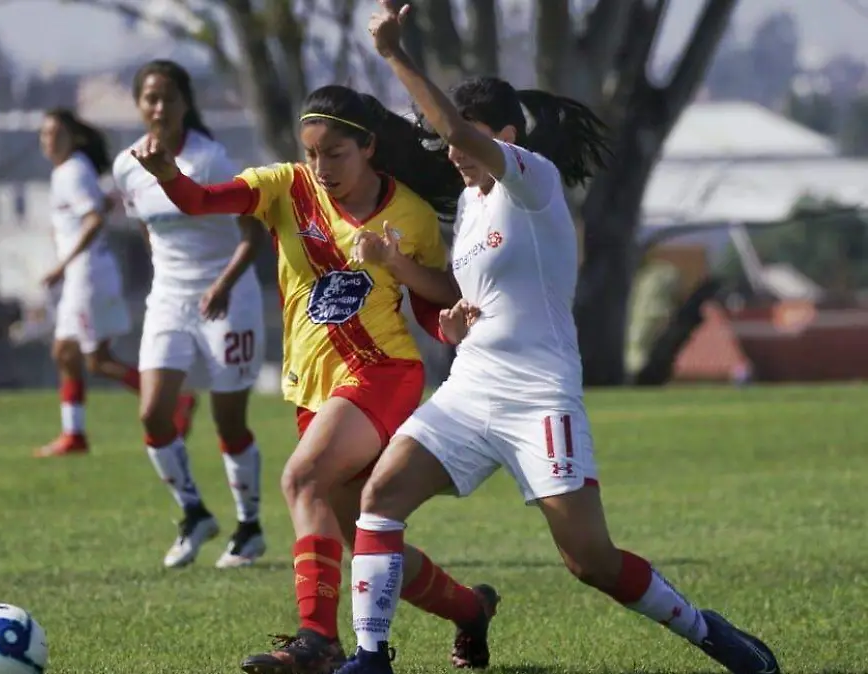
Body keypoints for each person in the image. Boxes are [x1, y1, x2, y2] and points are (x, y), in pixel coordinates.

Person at [332, 4, 782, 674]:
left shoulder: (532, 181)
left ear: (507, 136)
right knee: (379, 498)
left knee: (590, 562)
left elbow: (452, 126)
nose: (451, 150)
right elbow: (466, 294)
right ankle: (370, 658)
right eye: (449, 144)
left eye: (465, 139)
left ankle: (714, 635)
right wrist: (429, 293)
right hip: (471, 390)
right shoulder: (476, 206)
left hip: (540, 401)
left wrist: (395, 52)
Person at [131, 82, 496, 674]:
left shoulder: (410, 214)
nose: (320, 167)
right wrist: (169, 174)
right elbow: (200, 201)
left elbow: (436, 302)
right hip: (314, 387)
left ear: (368, 147)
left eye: (334, 154)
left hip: (383, 371)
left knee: (301, 480)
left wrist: (431, 306)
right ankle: (470, 609)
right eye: (311, 153)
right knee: (366, 539)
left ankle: (318, 642)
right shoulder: (284, 188)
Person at [111, 60, 270, 569]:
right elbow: (146, 228)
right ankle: (194, 513)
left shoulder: (211, 161)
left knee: (230, 420)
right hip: (170, 300)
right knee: (153, 413)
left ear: (185, 103)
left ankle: (249, 528)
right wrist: (167, 278)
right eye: (150, 98)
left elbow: (253, 235)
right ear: (139, 104)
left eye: (169, 98)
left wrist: (222, 283)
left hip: (228, 297)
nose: (160, 107)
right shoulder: (125, 166)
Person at [34, 108, 194, 457]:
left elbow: (93, 218)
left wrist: (62, 264)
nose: (48, 141)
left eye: (55, 133)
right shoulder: (70, 170)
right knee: (67, 352)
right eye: (44, 134)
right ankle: (73, 434)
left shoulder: (72, 171)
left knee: (94, 359)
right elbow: (98, 207)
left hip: (87, 274)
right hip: (83, 273)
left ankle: (176, 401)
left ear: (73, 137)